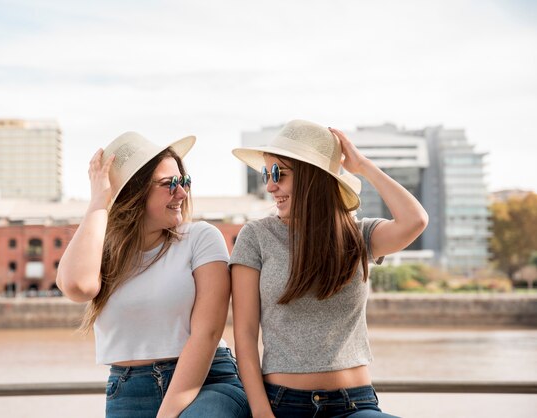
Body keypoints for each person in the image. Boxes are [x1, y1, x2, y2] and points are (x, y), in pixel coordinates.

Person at [229, 119, 428, 417]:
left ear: (311, 177)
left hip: (354, 405)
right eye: (265, 174)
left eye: (278, 174)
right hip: (284, 404)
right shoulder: (256, 237)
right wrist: (261, 412)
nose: (270, 186)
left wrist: (362, 166)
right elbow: (244, 335)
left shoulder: (358, 235)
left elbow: (415, 221)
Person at [56, 131, 250, 418]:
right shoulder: (103, 250)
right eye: (169, 184)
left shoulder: (201, 238)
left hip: (207, 382)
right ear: (134, 191)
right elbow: (78, 286)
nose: (182, 193)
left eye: (183, 182)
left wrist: (168, 413)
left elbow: (207, 333)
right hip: (128, 389)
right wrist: (99, 201)